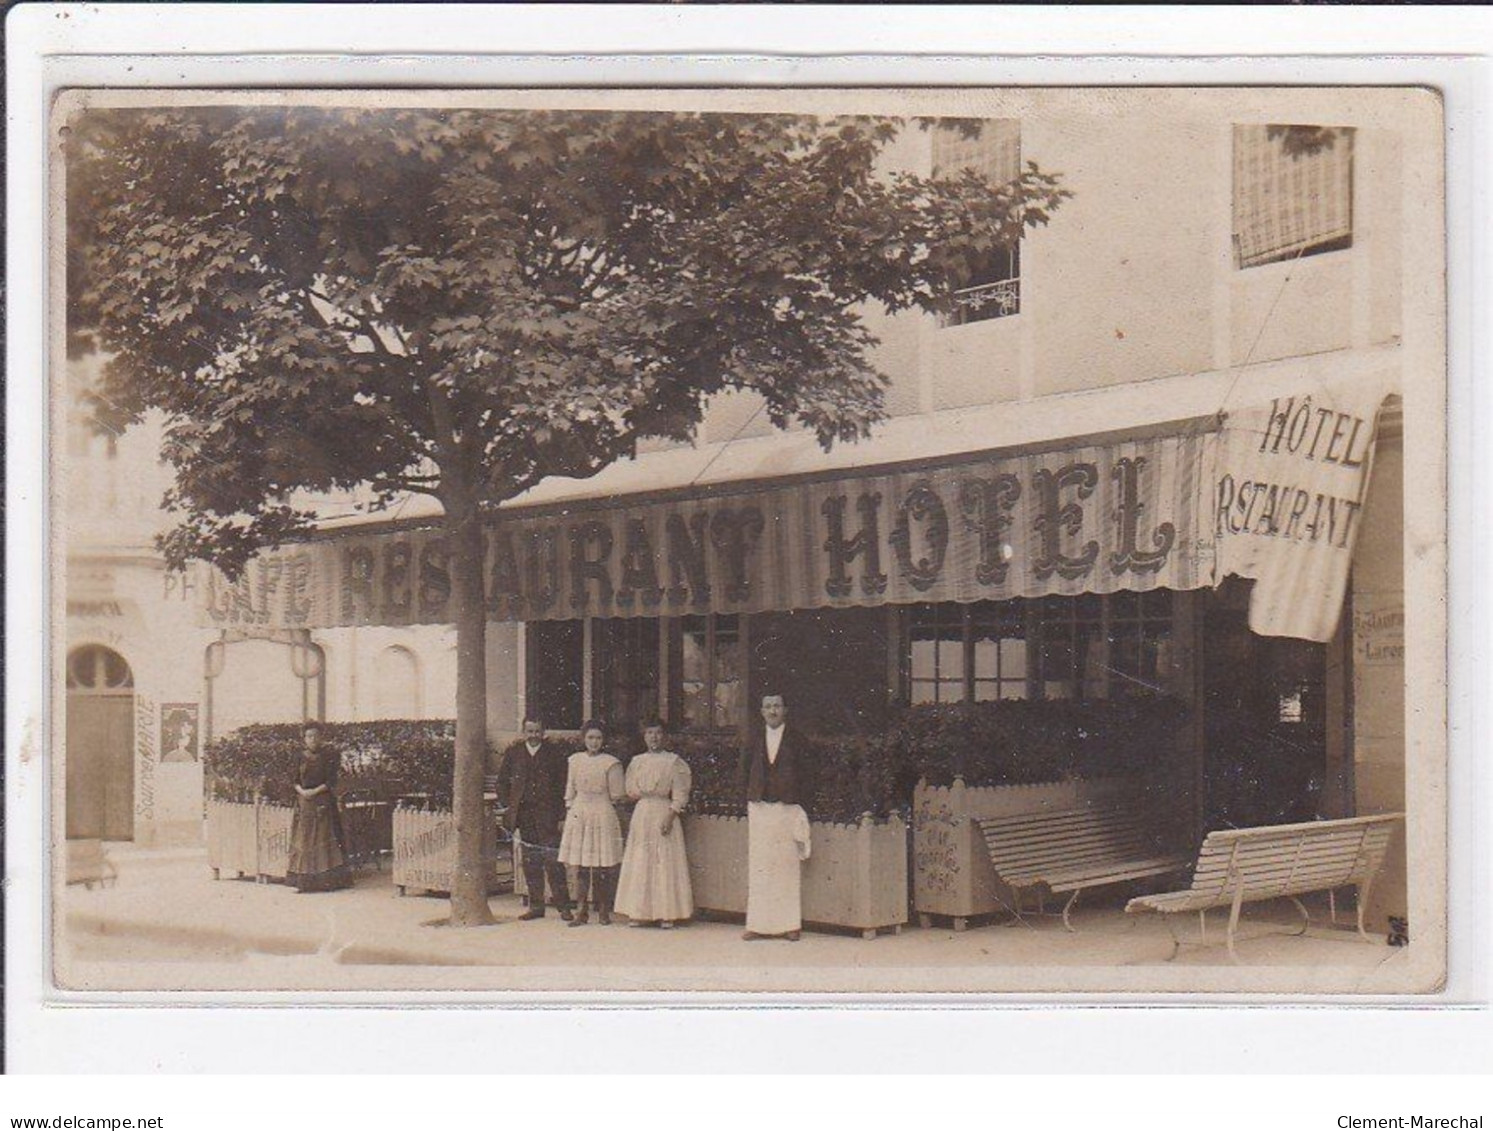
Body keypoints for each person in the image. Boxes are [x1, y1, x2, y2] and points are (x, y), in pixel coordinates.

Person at [738, 693, 813, 941]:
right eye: (768, 707)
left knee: (786, 865)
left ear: (785, 710)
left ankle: (790, 925)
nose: (773, 711)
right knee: (760, 865)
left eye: (777, 706)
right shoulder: (753, 739)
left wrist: (800, 804)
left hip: (787, 808)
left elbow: (809, 774)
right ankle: (757, 924)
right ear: (761, 711)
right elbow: (744, 771)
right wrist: (749, 799)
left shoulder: (798, 740)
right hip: (760, 808)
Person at [615, 720, 693, 929]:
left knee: (663, 861)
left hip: (664, 811)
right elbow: (631, 790)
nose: (654, 737)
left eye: (658, 733)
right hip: (643, 813)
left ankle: (666, 912)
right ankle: (640, 912)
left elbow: (680, 793)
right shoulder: (637, 761)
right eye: (650, 733)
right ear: (644, 736)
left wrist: (670, 816)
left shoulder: (673, 762)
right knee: (642, 859)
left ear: (664, 736)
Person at [495, 717, 573, 921]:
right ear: (523, 732)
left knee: (553, 861)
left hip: (548, 815)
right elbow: (502, 781)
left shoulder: (554, 754)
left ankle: (563, 907)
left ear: (543, 731)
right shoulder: (514, 753)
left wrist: (561, 816)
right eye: (530, 731)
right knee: (530, 861)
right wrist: (508, 805)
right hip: (524, 815)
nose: (534, 735)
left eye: (537, 731)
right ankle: (536, 906)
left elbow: (564, 785)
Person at [558, 721, 625, 927]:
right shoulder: (575, 760)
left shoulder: (611, 763)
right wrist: (571, 811)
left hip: (602, 812)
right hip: (580, 812)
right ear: (583, 739)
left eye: (598, 738)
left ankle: (603, 910)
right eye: (590, 738)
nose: (594, 742)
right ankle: (581, 911)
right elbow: (570, 789)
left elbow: (616, 794)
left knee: (602, 866)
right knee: (582, 865)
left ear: (603, 740)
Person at [286, 724, 351, 893]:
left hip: (322, 801)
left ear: (321, 737)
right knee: (304, 840)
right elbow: (294, 780)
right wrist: (302, 792)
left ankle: (326, 882)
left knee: (323, 838)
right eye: (309, 736)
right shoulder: (298, 757)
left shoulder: (328, 756)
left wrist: (315, 791)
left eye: (316, 736)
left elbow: (331, 781)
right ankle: (304, 882)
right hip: (304, 803)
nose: (313, 740)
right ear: (304, 739)